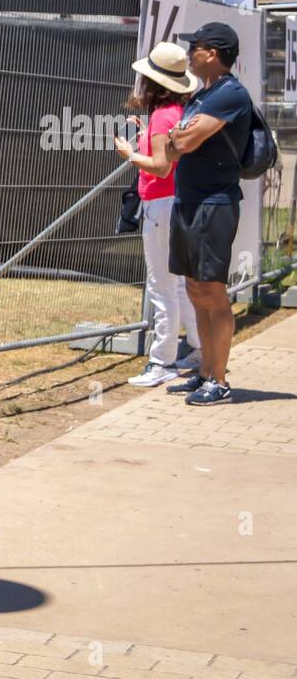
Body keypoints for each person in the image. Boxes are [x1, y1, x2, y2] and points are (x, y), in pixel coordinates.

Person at [162, 22, 253, 405]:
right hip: (189, 201)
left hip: (213, 204)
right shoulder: (202, 95)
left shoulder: (230, 93)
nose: (189, 54)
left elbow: (182, 141)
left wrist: (179, 136)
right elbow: (173, 147)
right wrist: (179, 138)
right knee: (195, 289)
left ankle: (220, 380)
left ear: (212, 53)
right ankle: (204, 371)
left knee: (212, 291)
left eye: (194, 47)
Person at [113, 42, 202, 386]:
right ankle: (197, 348)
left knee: (162, 286)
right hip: (174, 202)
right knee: (177, 284)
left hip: (161, 204)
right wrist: (144, 137)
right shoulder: (178, 111)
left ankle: (162, 361)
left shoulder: (164, 115)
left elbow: (162, 167)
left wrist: (130, 154)